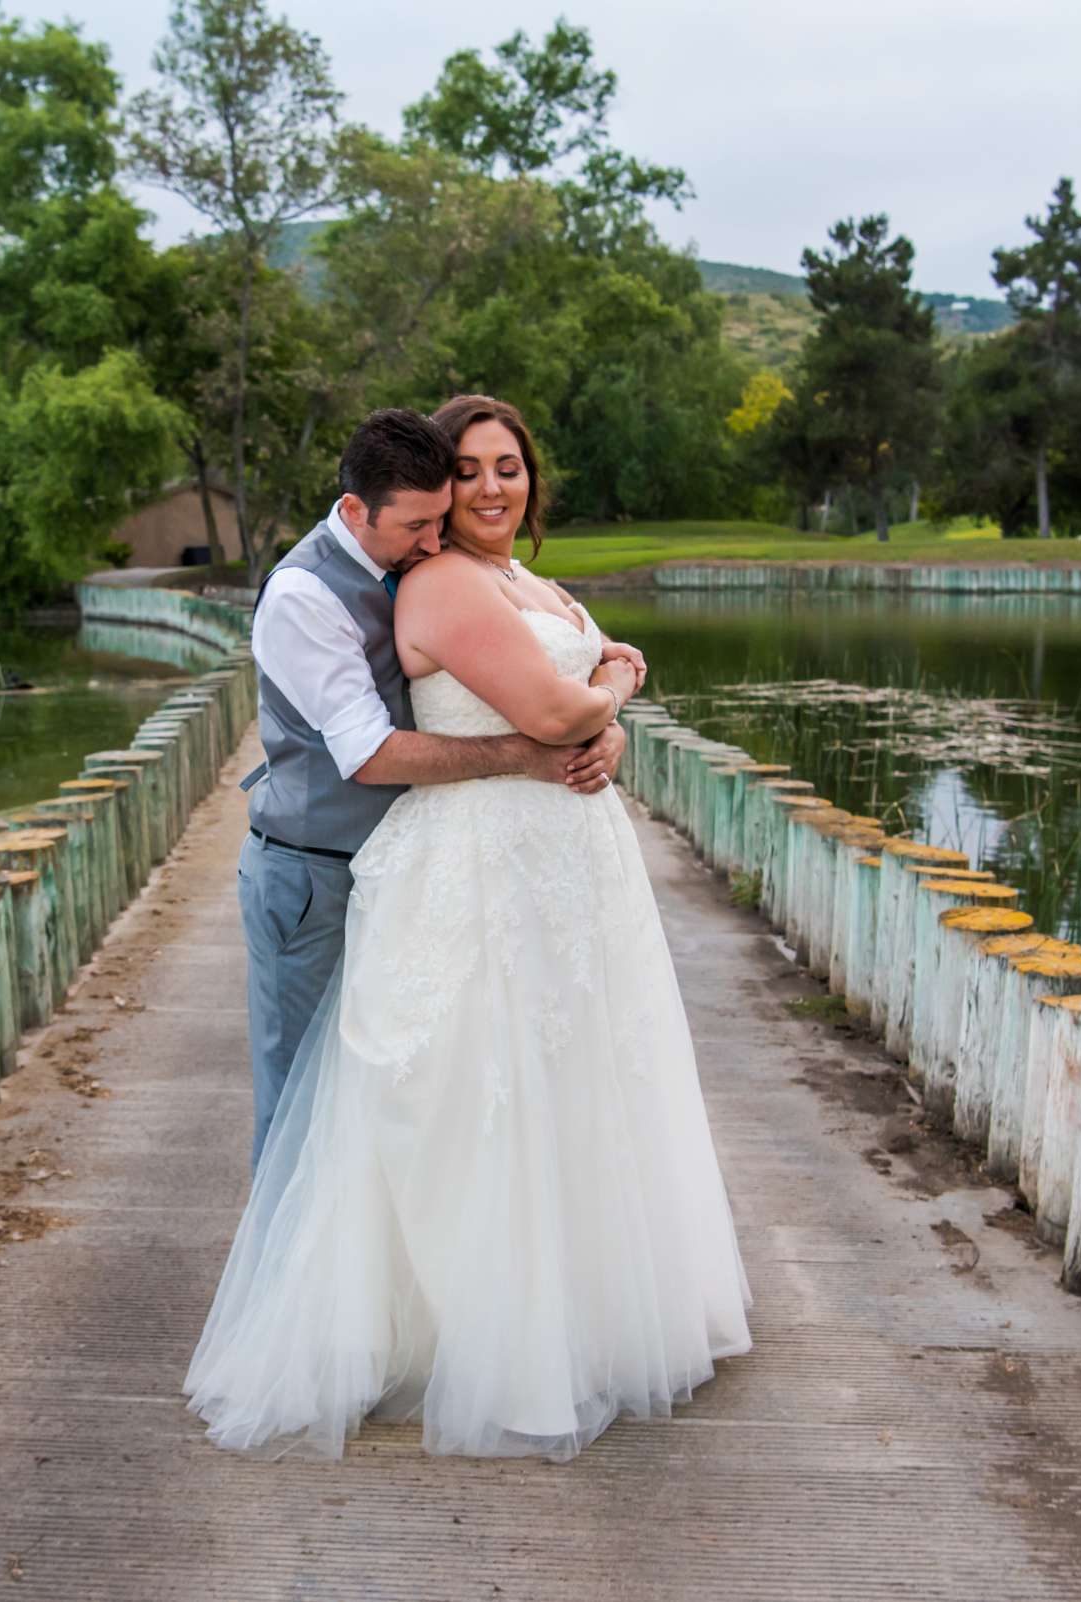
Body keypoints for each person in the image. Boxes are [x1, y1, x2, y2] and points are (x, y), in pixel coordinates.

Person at [189, 396, 751, 1461]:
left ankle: (563, 1306)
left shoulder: (486, 570)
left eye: (506, 470)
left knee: (541, 1079)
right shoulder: (322, 594)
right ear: (365, 509)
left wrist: (604, 730)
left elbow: (555, 704)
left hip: (505, 861)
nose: (466, 510)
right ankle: (317, 1335)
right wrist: (620, 681)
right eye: (453, 490)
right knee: (325, 1110)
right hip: (323, 869)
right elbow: (424, 740)